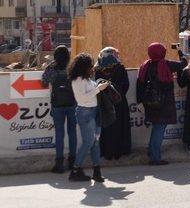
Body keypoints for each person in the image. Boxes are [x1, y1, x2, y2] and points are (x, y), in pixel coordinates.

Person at [136, 43, 187, 165]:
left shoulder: (145, 66)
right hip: (163, 104)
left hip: (149, 103)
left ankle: (151, 151)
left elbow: (139, 85)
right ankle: (155, 158)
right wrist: (180, 52)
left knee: (156, 128)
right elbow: (183, 64)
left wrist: (140, 102)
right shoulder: (166, 65)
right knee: (159, 129)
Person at [68, 53, 109, 182]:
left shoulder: (86, 78)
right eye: (90, 65)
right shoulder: (78, 80)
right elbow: (83, 98)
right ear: (84, 67)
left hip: (94, 111)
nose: (92, 68)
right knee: (88, 143)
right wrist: (99, 89)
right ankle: (75, 170)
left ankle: (96, 171)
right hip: (85, 112)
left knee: (95, 142)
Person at [41, 45, 76, 174]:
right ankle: (73, 162)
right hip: (72, 103)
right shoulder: (72, 67)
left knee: (59, 134)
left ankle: (59, 163)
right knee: (72, 133)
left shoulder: (51, 68)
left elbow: (43, 82)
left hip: (57, 105)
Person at [95, 47, 131, 160]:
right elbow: (126, 85)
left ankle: (107, 152)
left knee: (107, 126)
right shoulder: (120, 68)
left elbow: (97, 85)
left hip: (104, 102)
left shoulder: (98, 69)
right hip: (119, 101)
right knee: (119, 125)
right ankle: (119, 151)